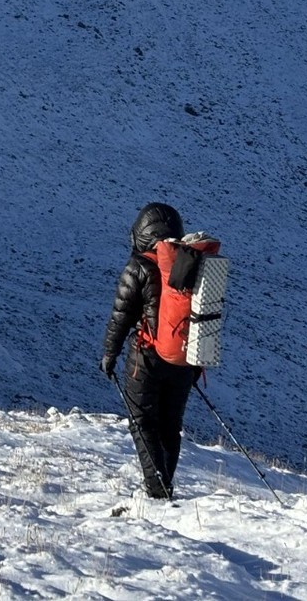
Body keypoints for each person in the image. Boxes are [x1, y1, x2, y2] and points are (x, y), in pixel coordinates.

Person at [99, 202, 202, 500]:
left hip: (146, 359)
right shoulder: (191, 265)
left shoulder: (139, 267)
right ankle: (165, 483)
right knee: (171, 427)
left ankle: (158, 490)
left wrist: (109, 354)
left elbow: (121, 315)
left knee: (143, 422)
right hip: (183, 360)